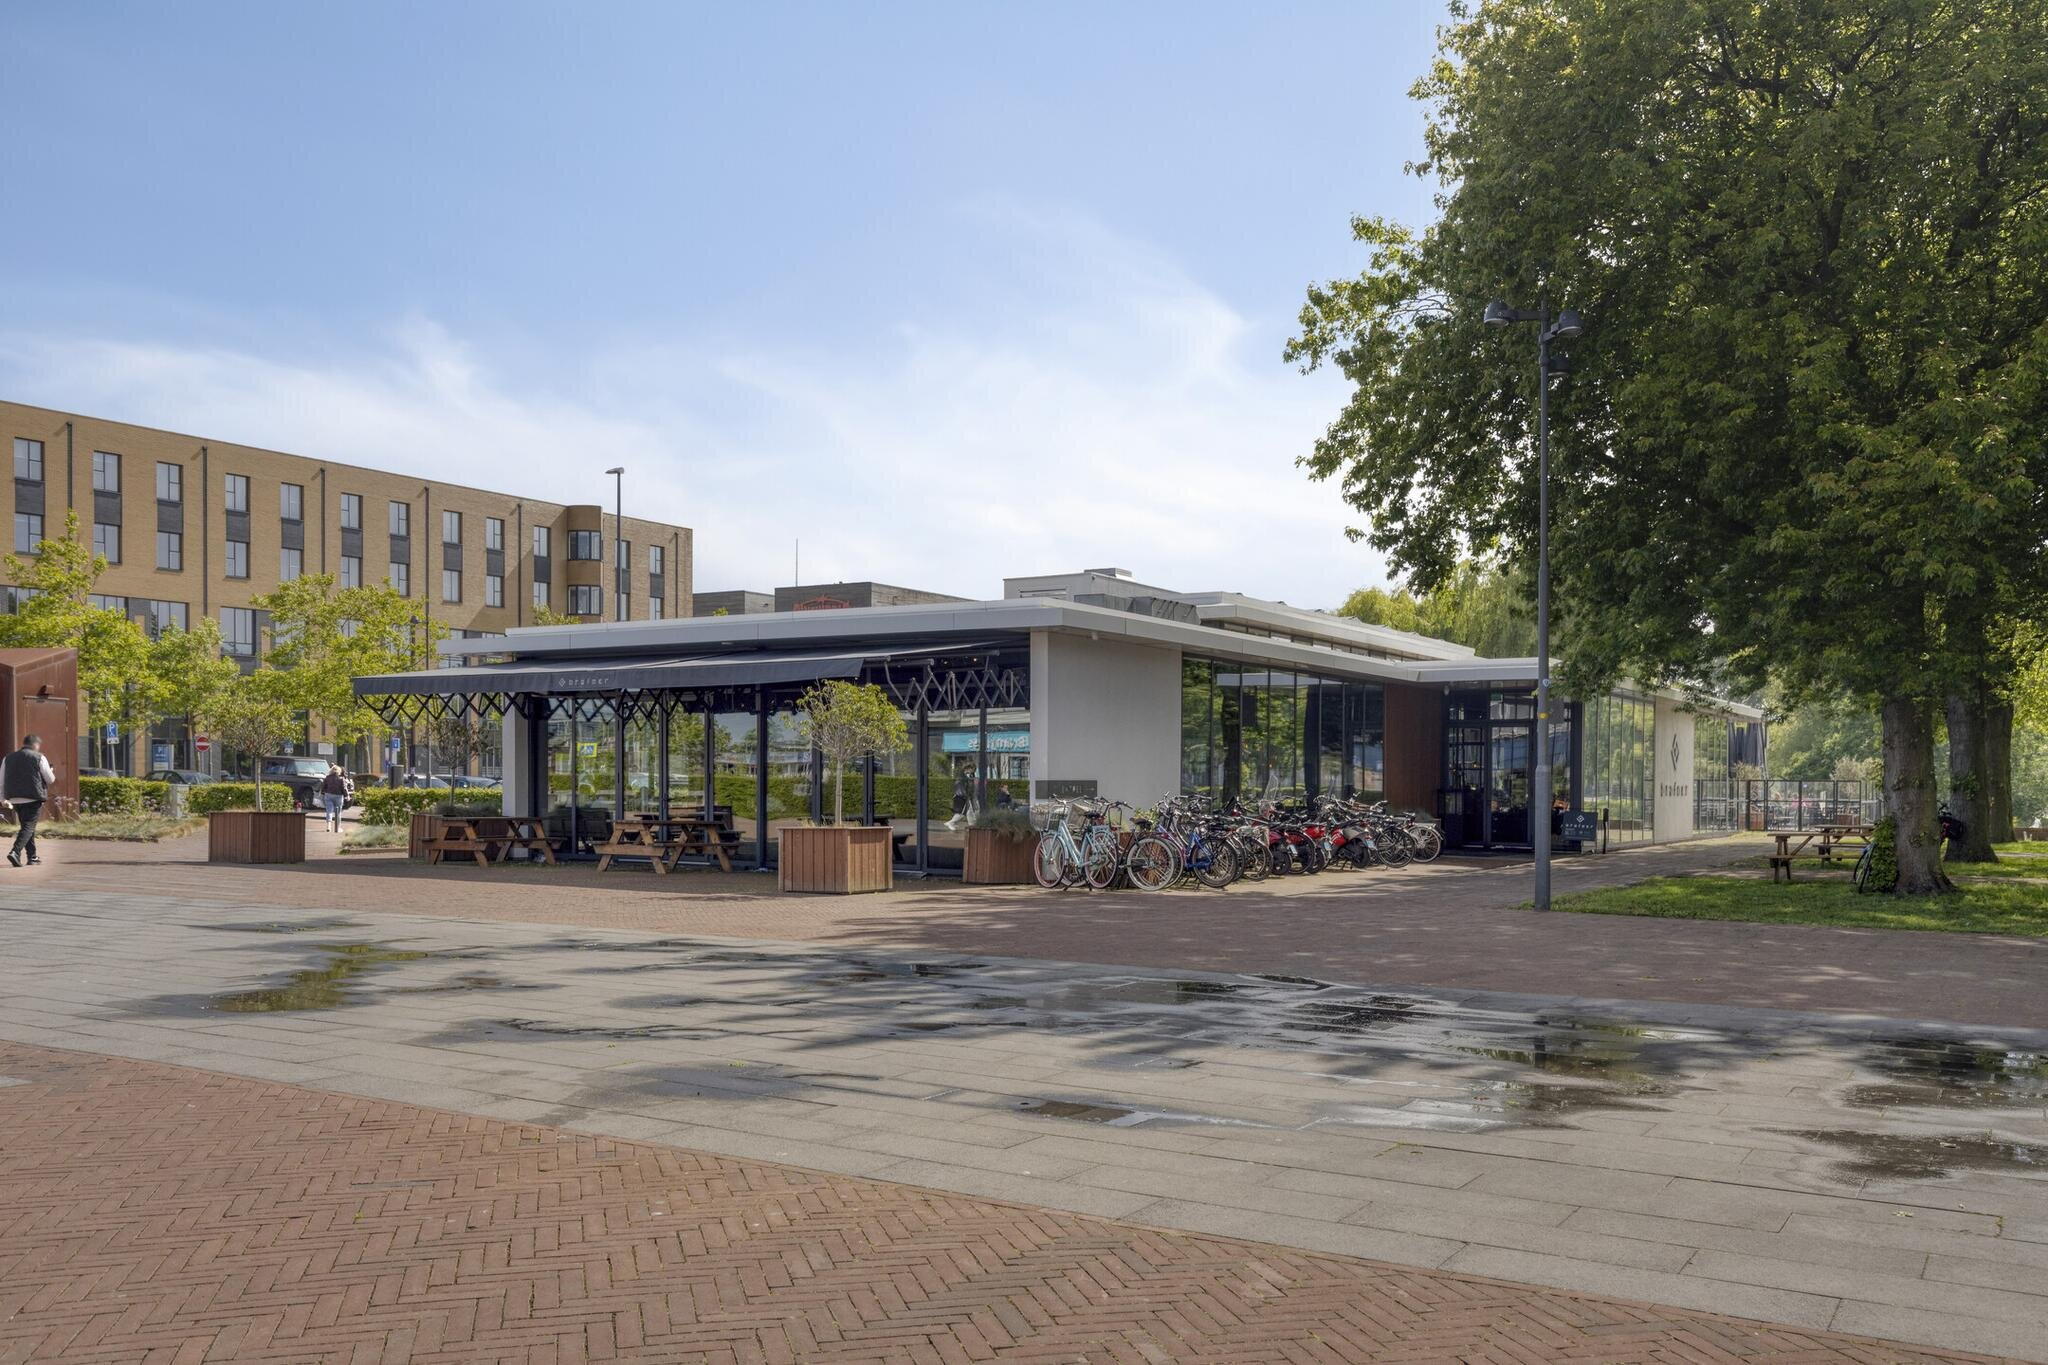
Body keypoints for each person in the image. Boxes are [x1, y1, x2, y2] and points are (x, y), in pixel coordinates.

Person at [2, 733, 57, 868]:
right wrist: (50, 770)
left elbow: (1, 780)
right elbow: (50, 779)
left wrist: (2, 798)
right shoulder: (39, 757)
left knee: (26, 827)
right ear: (36, 745)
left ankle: (32, 857)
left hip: (14, 798)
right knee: (28, 827)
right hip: (33, 797)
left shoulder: (8, 758)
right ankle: (15, 852)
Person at [320, 762, 350, 833]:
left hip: (328, 795)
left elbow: (323, 787)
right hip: (338, 796)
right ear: (339, 771)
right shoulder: (341, 779)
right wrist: (347, 796)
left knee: (329, 811)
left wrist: (322, 793)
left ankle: (329, 826)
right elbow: (344, 788)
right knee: (338, 812)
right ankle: (338, 828)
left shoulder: (327, 778)